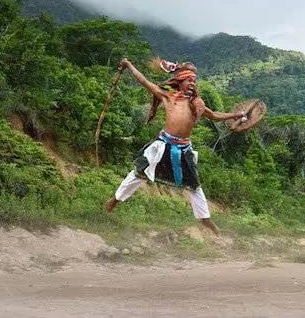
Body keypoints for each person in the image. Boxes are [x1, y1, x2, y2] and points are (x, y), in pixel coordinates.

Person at [105, 58, 246, 236]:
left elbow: (215, 115)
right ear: (179, 82)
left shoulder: (197, 104)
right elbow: (143, 81)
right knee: (138, 173)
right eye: (189, 80)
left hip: (183, 149)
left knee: (195, 186)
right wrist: (128, 65)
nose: (192, 83)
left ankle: (206, 220)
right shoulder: (168, 97)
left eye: (194, 81)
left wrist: (237, 114)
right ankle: (115, 200)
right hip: (163, 144)